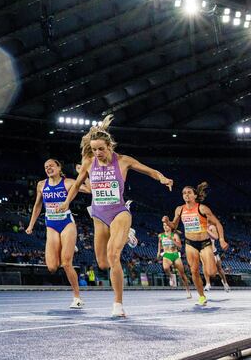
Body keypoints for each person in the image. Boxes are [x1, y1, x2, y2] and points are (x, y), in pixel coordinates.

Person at [59, 115, 173, 317]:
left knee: (113, 256)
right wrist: (67, 202)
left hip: (119, 212)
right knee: (103, 263)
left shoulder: (123, 161)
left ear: (109, 146)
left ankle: (118, 305)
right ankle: (128, 234)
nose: (97, 153)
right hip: (98, 215)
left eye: (101, 149)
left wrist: (162, 178)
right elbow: (76, 186)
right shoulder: (88, 163)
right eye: (94, 149)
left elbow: (149, 171)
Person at [27, 159, 91, 309]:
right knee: (52, 267)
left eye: (51, 166)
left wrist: (83, 173)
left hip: (66, 223)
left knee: (66, 263)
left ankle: (77, 298)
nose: (48, 168)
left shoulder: (68, 182)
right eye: (45, 167)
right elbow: (37, 206)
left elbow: (89, 190)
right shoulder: (41, 185)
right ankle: (68, 245)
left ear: (59, 167)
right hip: (51, 225)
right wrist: (31, 225)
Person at [163, 182, 229, 306]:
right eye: (184, 193)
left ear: (194, 195)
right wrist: (168, 221)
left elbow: (218, 224)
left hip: (205, 243)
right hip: (190, 243)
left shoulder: (202, 208)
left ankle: (211, 277)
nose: (186, 195)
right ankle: (201, 297)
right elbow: (174, 226)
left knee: (211, 272)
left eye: (189, 193)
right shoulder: (180, 209)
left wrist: (221, 240)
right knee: (194, 271)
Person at [156, 221, 191, 298]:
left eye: (167, 225)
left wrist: (172, 240)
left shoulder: (175, 235)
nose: (165, 227)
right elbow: (159, 243)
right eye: (164, 225)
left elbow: (180, 246)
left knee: (182, 275)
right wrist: (159, 251)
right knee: (165, 268)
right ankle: (171, 277)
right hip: (166, 254)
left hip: (175, 255)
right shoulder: (160, 235)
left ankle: (188, 290)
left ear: (170, 227)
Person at [206, 224, 230, 292]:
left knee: (219, 268)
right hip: (205, 251)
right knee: (205, 267)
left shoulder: (211, 227)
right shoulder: (199, 227)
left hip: (213, 251)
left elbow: (215, 237)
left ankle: (225, 283)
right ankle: (208, 283)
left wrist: (206, 230)